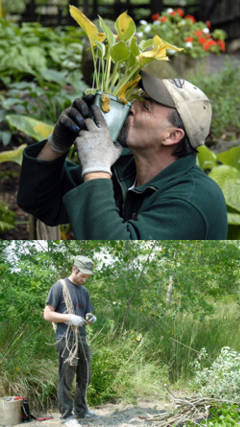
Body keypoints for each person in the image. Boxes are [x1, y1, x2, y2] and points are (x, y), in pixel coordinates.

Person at [17, 72, 227, 239]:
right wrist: (57, 144)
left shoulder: (193, 201)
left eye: (145, 107)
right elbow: (37, 201)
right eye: (138, 99)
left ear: (172, 136)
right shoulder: (124, 167)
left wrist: (96, 169)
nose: (130, 106)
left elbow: (115, 254)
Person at [44, 255, 96, 427]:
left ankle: (81, 410)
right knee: (66, 377)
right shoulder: (59, 286)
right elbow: (47, 314)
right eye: (83, 275)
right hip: (65, 338)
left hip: (82, 337)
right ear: (74, 269)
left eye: (88, 276)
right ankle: (66, 416)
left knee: (85, 376)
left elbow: (87, 314)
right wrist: (67, 317)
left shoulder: (85, 291)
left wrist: (90, 317)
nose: (85, 279)